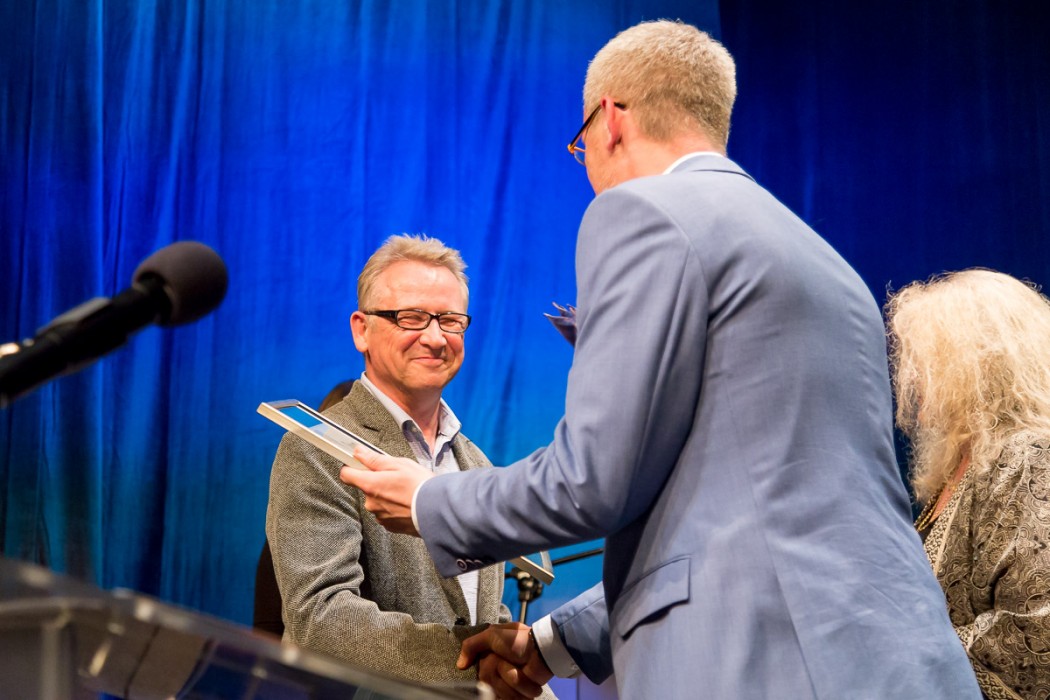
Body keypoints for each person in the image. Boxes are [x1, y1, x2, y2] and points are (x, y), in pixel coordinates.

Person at [342, 20, 980, 699]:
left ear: (610, 119)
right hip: (901, 662)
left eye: (580, 146)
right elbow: (735, 517)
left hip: (767, 668)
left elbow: (590, 479)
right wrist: (552, 645)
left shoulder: (641, 213)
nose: (588, 169)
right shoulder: (830, 267)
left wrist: (431, 500)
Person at [265, 235, 555, 696]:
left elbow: (484, 614)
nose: (435, 337)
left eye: (451, 321)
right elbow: (321, 620)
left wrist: (516, 668)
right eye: (411, 317)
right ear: (362, 329)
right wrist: (474, 661)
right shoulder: (316, 449)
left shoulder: (476, 464)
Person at [886, 269, 1050, 699]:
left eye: (925, 361)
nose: (911, 379)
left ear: (977, 364)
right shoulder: (965, 462)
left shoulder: (1029, 455)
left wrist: (907, 650)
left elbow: (1038, 627)